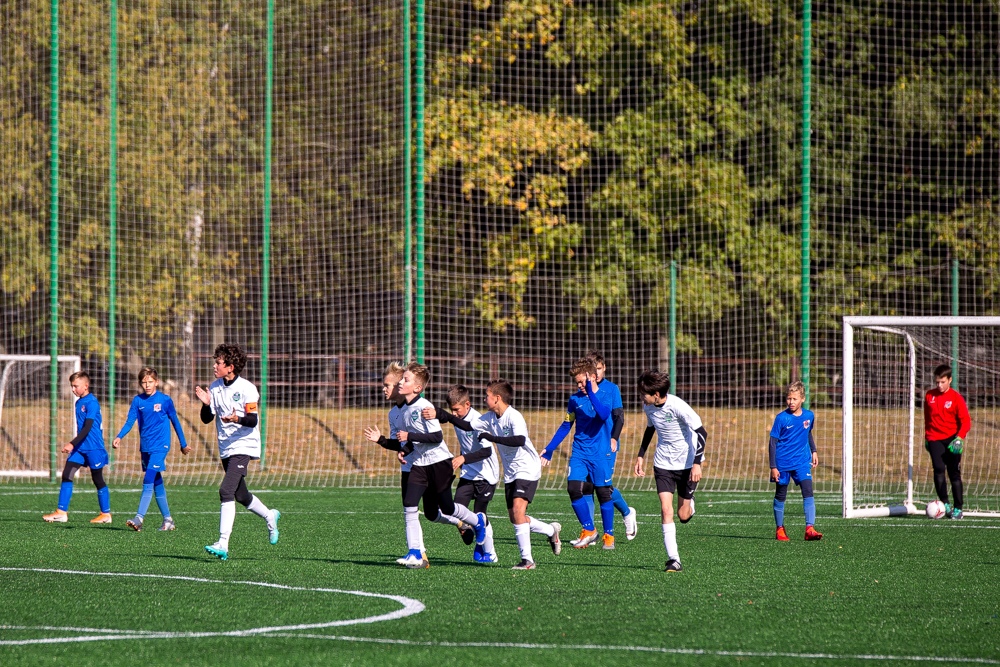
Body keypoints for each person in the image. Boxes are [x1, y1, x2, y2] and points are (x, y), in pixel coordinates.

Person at [384, 363, 488, 569]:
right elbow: (414, 440)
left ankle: (477, 521)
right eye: (401, 379)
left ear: (417, 388)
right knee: (410, 506)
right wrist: (404, 448)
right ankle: (415, 552)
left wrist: (408, 437)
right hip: (420, 466)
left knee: (448, 507)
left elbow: (436, 436)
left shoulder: (424, 407)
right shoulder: (404, 410)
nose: (400, 383)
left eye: (405, 380)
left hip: (439, 464)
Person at [194, 344, 279, 561]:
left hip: (244, 445)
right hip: (226, 447)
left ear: (230, 367)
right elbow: (206, 419)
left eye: (219, 363)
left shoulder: (247, 388)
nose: (214, 365)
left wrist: (236, 418)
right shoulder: (214, 387)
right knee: (241, 495)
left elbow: (252, 420)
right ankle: (270, 516)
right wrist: (205, 405)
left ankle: (223, 543)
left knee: (225, 491)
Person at [477, 379, 561, 570]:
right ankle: (550, 530)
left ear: (497, 398)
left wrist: (492, 437)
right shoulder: (490, 417)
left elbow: (520, 440)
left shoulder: (514, 416)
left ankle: (527, 560)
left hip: (528, 468)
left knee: (518, 511)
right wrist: (441, 415)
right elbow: (470, 424)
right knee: (516, 518)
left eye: (487, 396)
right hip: (511, 473)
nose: (484, 399)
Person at [633, 370, 707, 572]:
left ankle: (690, 502)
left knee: (683, 516)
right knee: (666, 510)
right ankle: (674, 559)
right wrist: (641, 455)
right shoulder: (648, 407)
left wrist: (697, 463)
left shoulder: (677, 406)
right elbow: (651, 428)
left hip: (686, 464)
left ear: (656, 394)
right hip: (663, 464)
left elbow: (701, 432)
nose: (641, 397)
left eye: (644, 394)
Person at [541, 358, 616, 549]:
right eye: (577, 383)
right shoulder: (574, 400)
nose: (580, 385)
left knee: (603, 493)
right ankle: (590, 530)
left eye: (582, 381)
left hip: (600, 453)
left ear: (592, 377)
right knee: (573, 488)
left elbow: (604, 415)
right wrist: (549, 449)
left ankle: (609, 535)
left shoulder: (606, 394)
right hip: (580, 452)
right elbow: (566, 425)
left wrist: (591, 393)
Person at [421, 384, 501, 562]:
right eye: (452, 410)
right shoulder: (458, 418)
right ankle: (464, 527)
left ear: (468, 404)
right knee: (456, 510)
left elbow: (486, 451)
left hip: (486, 474)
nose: (454, 413)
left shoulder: (479, 421)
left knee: (480, 513)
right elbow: (448, 419)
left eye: (457, 409)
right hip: (469, 474)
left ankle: (489, 552)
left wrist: (463, 458)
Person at [363, 361, 427, 564]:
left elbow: (431, 437)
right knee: (410, 508)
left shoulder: (420, 408)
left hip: (429, 465)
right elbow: (398, 443)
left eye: (387, 385)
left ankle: (467, 522)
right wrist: (381, 440)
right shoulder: (393, 413)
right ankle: (419, 554)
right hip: (408, 467)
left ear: (402, 385)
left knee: (438, 511)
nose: (384, 389)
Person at [113, 367, 190, 531]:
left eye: (150, 382)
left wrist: (183, 444)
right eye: (144, 382)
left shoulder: (165, 400)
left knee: (148, 479)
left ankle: (139, 518)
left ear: (157, 382)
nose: (147, 385)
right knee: (156, 481)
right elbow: (130, 421)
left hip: (161, 446)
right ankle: (168, 520)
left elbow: (175, 422)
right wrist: (119, 436)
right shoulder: (138, 401)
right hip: (146, 446)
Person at [43, 371, 113, 524]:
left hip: (94, 447)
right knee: (67, 474)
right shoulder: (78, 403)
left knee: (97, 478)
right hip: (80, 448)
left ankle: (106, 514)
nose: (73, 389)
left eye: (76, 386)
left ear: (86, 386)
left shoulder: (92, 402)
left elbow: (87, 428)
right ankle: (61, 512)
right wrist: (76, 445)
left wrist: (71, 443)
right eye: (72, 386)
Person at [584, 350, 638, 540]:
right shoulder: (583, 389)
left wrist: (614, 438)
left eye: (598, 369)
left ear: (604, 368)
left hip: (607, 445)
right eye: (592, 370)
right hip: (588, 446)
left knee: (603, 489)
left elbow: (619, 417)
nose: (596, 373)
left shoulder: (612, 389)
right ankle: (590, 531)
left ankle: (626, 512)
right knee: (586, 486)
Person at [768, 381, 821, 541]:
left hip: (801, 461)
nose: (791, 402)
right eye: (789, 398)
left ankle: (809, 528)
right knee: (780, 495)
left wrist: (814, 451)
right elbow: (772, 443)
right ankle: (780, 529)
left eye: (795, 399)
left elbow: (808, 433)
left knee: (808, 490)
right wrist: (773, 466)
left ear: (802, 399)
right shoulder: (781, 418)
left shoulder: (809, 416)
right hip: (782, 463)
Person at [923, 364, 970, 520]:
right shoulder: (929, 396)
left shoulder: (956, 398)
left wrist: (960, 438)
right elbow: (927, 419)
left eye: (942, 382)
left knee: (954, 473)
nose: (939, 385)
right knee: (938, 469)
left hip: (952, 440)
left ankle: (958, 508)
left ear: (949, 380)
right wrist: (926, 437)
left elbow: (966, 421)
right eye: (937, 382)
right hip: (934, 438)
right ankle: (945, 503)